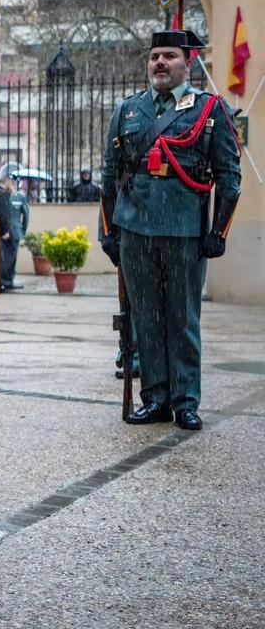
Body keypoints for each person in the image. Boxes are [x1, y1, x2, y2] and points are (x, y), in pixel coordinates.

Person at [99, 29, 240, 431]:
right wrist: (108, 232)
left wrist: (218, 231)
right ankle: (155, 397)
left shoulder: (209, 110)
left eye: (170, 56)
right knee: (144, 317)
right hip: (135, 229)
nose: (160, 63)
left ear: (188, 62)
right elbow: (111, 177)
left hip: (184, 230)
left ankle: (185, 401)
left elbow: (230, 176)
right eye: (155, 56)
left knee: (183, 318)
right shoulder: (128, 109)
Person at [0, 174, 18, 292]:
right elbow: (3, 214)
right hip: (3, 232)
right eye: (11, 182)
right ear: (7, 181)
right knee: (6, 259)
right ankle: (3, 283)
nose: (12, 184)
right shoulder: (3, 194)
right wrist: (6, 231)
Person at [9, 177, 30, 291]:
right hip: (6, 232)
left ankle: (9, 280)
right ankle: (6, 280)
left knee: (12, 257)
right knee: (7, 257)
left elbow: (26, 215)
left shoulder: (20, 197)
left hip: (15, 232)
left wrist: (23, 231)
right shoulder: (4, 195)